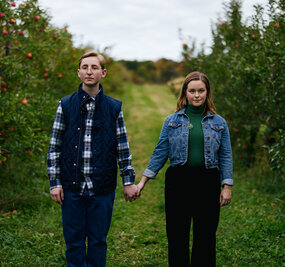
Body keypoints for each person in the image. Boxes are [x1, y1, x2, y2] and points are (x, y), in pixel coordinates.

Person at [47, 51, 138, 267]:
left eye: (94, 67)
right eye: (85, 67)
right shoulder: (66, 105)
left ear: (103, 73)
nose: (89, 71)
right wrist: (55, 183)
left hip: (102, 187)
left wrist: (128, 181)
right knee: (74, 242)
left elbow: (122, 147)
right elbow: (54, 147)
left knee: (98, 241)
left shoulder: (114, 108)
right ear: (78, 72)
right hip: (71, 187)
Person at [136, 71, 233, 267]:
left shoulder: (219, 123)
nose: (197, 95)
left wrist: (226, 186)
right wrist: (143, 181)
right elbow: (160, 152)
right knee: (177, 235)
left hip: (208, 181)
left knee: (205, 236)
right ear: (185, 93)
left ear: (207, 93)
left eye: (201, 91)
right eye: (192, 91)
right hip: (178, 182)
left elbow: (225, 155)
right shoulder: (172, 122)